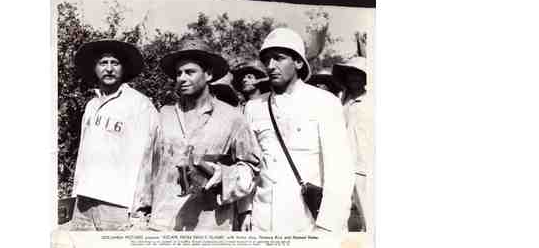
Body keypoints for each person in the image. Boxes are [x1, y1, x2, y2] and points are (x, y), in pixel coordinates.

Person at [132, 37, 262, 231]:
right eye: (178, 73)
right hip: (163, 223)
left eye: (190, 72)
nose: (182, 78)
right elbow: (148, 167)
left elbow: (252, 168)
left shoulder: (232, 118)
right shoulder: (165, 115)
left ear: (208, 75)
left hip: (208, 227)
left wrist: (218, 175)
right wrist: (140, 214)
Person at [243, 28, 355, 233]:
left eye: (279, 58)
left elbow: (340, 168)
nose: (270, 66)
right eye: (267, 60)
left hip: (307, 222)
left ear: (298, 62)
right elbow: (250, 163)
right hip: (263, 221)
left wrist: (328, 225)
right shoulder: (253, 107)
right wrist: (246, 211)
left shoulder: (324, 102)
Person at [69, 39, 159, 230]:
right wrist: (76, 193)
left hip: (117, 204)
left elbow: (146, 158)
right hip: (85, 202)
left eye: (114, 63)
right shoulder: (92, 105)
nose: (109, 69)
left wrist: (139, 208)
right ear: (95, 68)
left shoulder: (139, 104)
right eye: (103, 63)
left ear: (123, 68)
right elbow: (83, 154)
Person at [333, 57, 371, 233]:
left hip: (364, 165)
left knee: (368, 213)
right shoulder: (343, 101)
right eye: (350, 75)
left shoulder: (371, 101)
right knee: (345, 215)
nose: (353, 79)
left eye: (358, 75)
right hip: (344, 164)